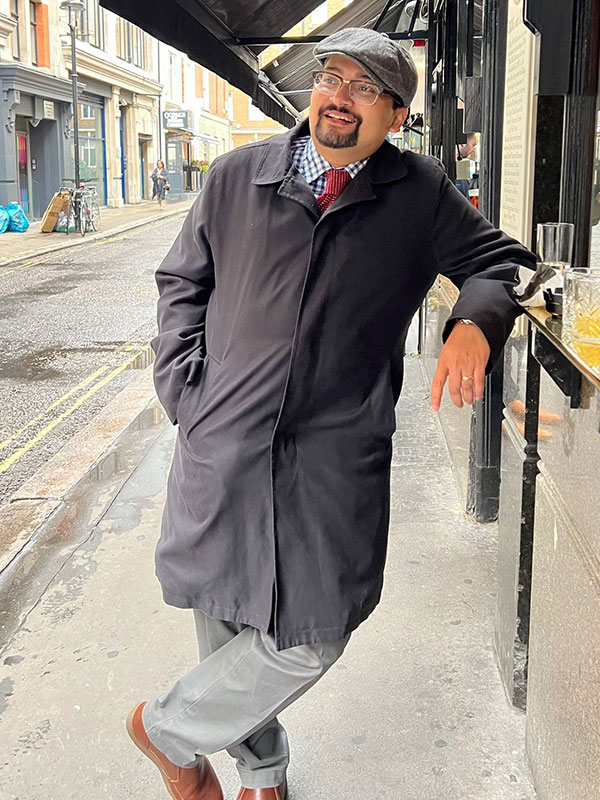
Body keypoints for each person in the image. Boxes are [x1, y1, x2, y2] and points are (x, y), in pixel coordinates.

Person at [126, 27, 536, 800]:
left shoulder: (418, 194)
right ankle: (262, 774)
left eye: (364, 88)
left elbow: (502, 262)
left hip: (332, 455)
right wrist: (186, 392)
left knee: (311, 637)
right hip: (225, 440)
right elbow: (182, 283)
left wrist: (476, 322)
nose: (338, 97)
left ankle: (166, 730)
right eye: (331, 78)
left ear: (397, 116)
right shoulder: (237, 175)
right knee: (226, 620)